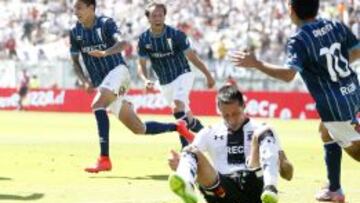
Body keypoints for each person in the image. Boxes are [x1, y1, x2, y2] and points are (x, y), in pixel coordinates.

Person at [231, 0, 360, 202]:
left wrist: (256, 63)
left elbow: (288, 75)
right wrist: (334, 68)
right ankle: (334, 189)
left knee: (356, 151)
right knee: (325, 131)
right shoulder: (334, 25)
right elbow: (356, 50)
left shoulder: (299, 39)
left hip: (335, 105)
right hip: (353, 91)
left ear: (291, 10)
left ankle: (335, 190)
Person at [70, 0, 191, 173]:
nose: (75, 11)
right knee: (138, 128)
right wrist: (83, 80)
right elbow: (74, 60)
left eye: (79, 7)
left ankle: (104, 159)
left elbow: (124, 43)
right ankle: (178, 127)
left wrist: (105, 52)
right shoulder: (75, 32)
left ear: (91, 8)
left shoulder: (105, 24)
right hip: (104, 83)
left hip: (118, 72)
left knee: (97, 105)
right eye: (74, 8)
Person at [167, 85, 293, 203]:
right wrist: (181, 164)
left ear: (243, 106)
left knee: (263, 131)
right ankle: (187, 185)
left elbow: (288, 175)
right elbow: (191, 156)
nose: (231, 119)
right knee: (190, 151)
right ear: (219, 110)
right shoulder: (209, 132)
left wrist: (280, 160)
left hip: (255, 186)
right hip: (222, 191)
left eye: (235, 114)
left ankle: (271, 187)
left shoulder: (261, 129)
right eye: (226, 115)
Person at [137, 2, 216, 147]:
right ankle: (210, 137)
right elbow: (141, 64)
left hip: (182, 74)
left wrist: (208, 75)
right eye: (154, 15)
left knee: (177, 107)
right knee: (188, 121)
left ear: (165, 16)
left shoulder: (176, 35)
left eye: (160, 15)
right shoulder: (143, 39)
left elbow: (192, 57)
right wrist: (145, 79)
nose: (157, 18)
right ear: (148, 18)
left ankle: (185, 149)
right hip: (164, 82)